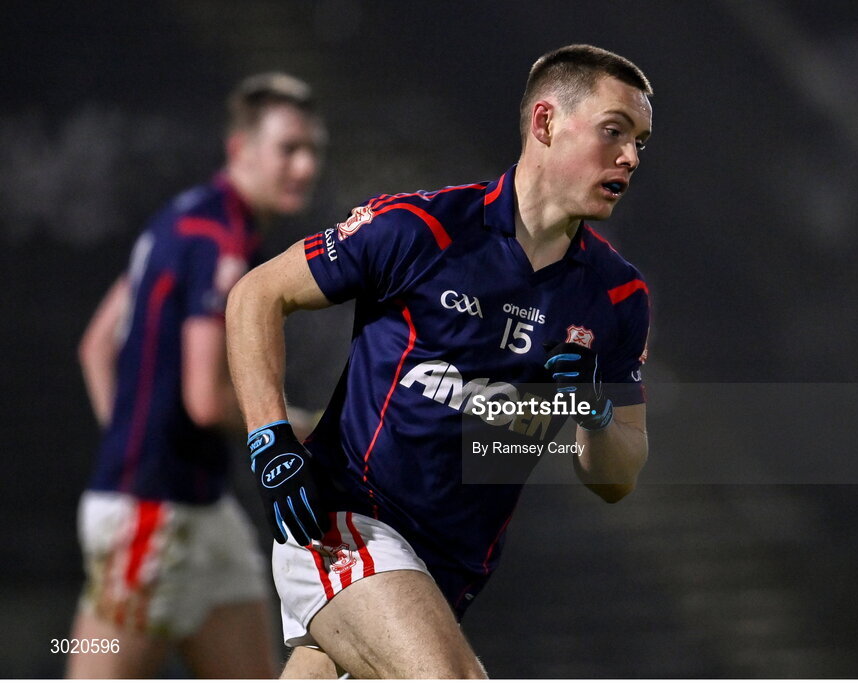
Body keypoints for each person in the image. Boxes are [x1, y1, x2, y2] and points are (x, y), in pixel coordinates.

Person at [226, 44, 653, 679]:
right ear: (545, 123)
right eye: (614, 131)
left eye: (641, 141)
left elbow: (617, 476)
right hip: (347, 520)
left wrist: (591, 411)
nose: (630, 157)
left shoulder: (618, 296)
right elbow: (257, 294)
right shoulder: (422, 228)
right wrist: (270, 440)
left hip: (447, 573)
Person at [70, 72, 325, 678]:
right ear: (241, 149)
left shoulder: (179, 218)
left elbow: (95, 346)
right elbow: (206, 400)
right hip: (154, 516)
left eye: (313, 149)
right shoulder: (221, 243)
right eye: (289, 148)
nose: (306, 165)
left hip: (200, 512)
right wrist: (301, 425)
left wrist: (129, 443)